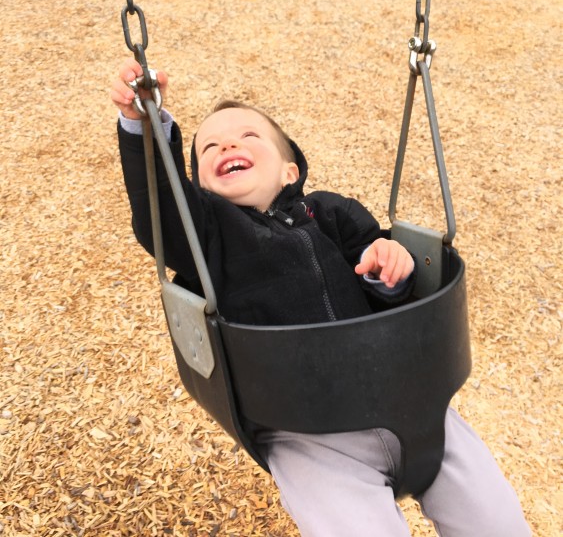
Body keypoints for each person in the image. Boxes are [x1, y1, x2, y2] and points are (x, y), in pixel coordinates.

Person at [111, 57, 531, 537]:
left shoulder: (331, 213)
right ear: (201, 189)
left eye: (249, 137)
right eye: (208, 146)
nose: (227, 144)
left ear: (290, 171)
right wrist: (144, 125)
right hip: (306, 433)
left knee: (497, 522)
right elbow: (160, 209)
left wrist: (390, 270)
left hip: (413, 401)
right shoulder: (209, 237)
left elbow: (384, 276)